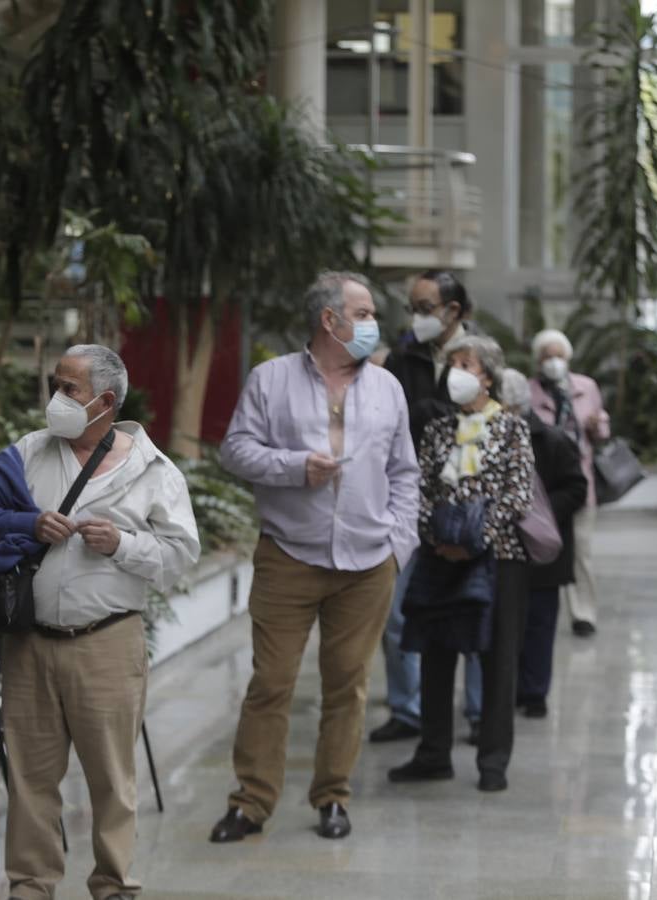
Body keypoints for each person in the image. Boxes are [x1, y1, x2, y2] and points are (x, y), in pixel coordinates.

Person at [0, 344, 200, 900]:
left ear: (106, 401)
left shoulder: (153, 470)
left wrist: (123, 544)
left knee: (112, 779)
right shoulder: (29, 452)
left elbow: (180, 557)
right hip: (31, 643)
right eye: (56, 384)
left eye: (69, 389)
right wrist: (27, 521)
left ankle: (114, 884)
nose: (56, 399)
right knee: (29, 778)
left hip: (107, 642)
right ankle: (30, 885)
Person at [209, 271, 420, 845]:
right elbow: (235, 450)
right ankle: (251, 803)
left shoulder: (387, 387)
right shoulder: (270, 379)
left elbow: (404, 472)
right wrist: (294, 466)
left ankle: (332, 796)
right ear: (330, 320)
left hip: (368, 563)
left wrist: (399, 545)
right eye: (365, 311)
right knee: (271, 683)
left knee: (347, 686)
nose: (374, 322)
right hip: (289, 556)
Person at [389, 335, 534, 793]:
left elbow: (518, 495)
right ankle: (433, 753)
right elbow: (419, 490)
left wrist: (475, 541)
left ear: (487, 376)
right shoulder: (436, 429)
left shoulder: (513, 429)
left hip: (498, 558)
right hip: (439, 555)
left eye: (466, 363)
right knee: (436, 652)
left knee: (496, 657)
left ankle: (493, 760)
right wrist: (438, 538)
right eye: (451, 364)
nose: (455, 371)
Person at [373, 270, 483, 744]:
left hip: (468, 504)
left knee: (474, 603)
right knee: (394, 612)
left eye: (425, 307)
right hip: (406, 503)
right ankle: (407, 709)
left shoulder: (483, 358)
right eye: (413, 307)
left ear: (453, 311)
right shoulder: (403, 356)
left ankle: (478, 711)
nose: (416, 317)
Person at [499, 369, 588, 718]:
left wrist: (539, 513)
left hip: (543, 552)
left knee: (539, 623)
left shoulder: (552, 440)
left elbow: (577, 488)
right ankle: (508, 688)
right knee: (507, 625)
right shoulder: (491, 437)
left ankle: (534, 692)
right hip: (504, 549)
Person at [528, 329, 610, 637]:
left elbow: (603, 430)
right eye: (547, 356)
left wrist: (597, 425)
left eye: (558, 355)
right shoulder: (529, 390)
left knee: (581, 552)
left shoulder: (586, 387)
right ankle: (541, 604)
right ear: (538, 360)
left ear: (568, 358)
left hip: (580, 484)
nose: (553, 362)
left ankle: (583, 613)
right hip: (543, 489)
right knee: (544, 547)